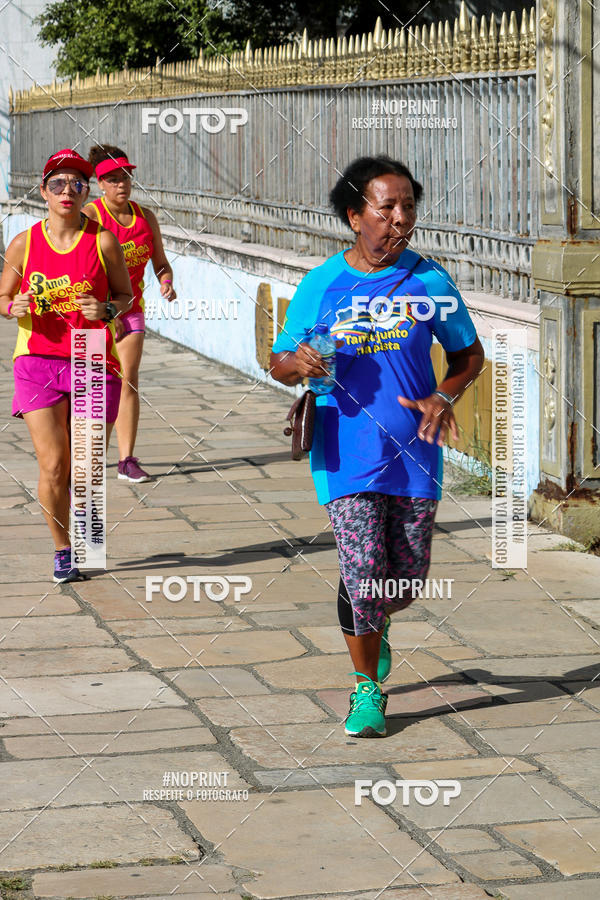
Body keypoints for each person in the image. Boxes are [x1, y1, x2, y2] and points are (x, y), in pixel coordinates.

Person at [270, 155, 484, 738]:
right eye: (385, 207)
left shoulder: (430, 282)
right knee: (364, 572)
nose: (399, 219)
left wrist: (444, 395)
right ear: (353, 215)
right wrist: (298, 363)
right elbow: (278, 360)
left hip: (416, 449)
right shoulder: (322, 285)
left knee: (403, 581)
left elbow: (468, 356)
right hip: (346, 447)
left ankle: (377, 625)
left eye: (408, 207)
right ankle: (366, 688)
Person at [0, 148, 133, 583]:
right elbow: (2, 298)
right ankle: (62, 550)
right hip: (37, 357)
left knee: (86, 465)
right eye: (58, 183)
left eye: (77, 183)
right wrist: (11, 304)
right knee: (53, 465)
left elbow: (124, 297)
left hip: (91, 353)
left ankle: (87, 536)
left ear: (85, 192)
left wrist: (106, 310)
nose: (68, 191)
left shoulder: (102, 241)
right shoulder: (24, 242)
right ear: (43, 192)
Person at [83, 145, 176, 483]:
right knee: (96, 386)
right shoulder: (92, 216)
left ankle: (126, 461)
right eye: (113, 179)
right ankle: (91, 456)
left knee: (127, 379)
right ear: (100, 184)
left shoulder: (145, 217)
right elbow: (80, 267)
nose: (122, 184)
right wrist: (105, 310)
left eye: (125, 177)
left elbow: (161, 261)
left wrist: (166, 280)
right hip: (95, 314)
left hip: (131, 309)